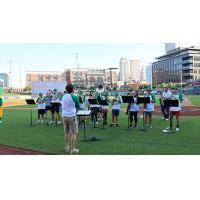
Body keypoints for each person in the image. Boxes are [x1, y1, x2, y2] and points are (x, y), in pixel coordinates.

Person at [61, 84, 80, 154]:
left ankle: (67, 147)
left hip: (64, 116)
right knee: (74, 133)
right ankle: (72, 149)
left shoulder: (63, 97)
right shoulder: (75, 97)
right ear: (73, 89)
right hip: (71, 116)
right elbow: (78, 106)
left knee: (66, 132)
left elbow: (62, 105)